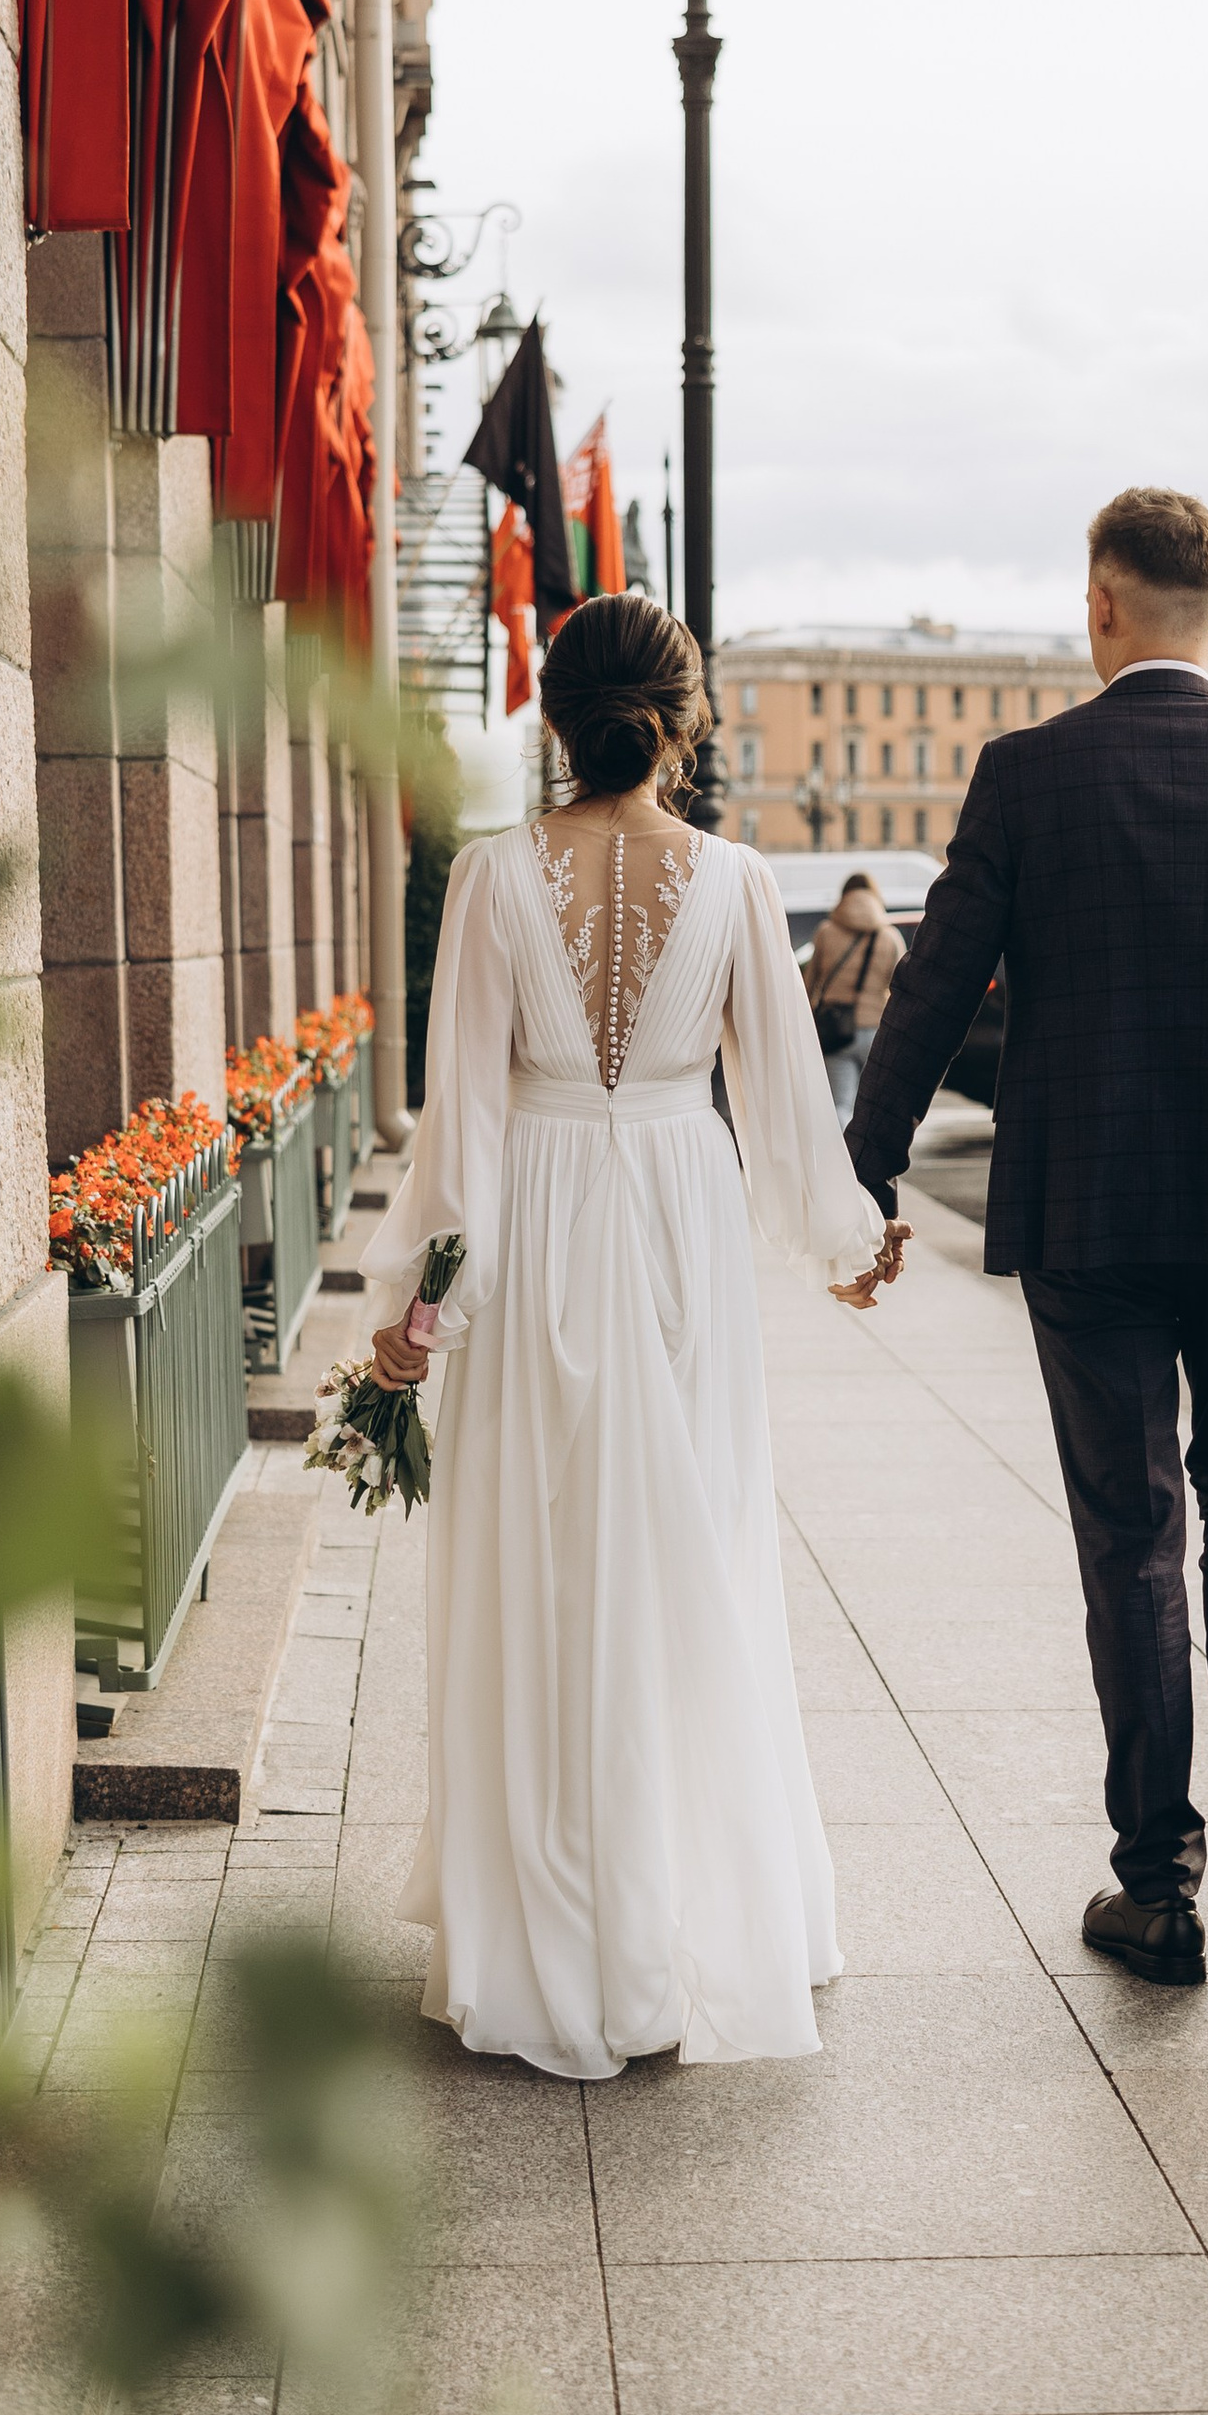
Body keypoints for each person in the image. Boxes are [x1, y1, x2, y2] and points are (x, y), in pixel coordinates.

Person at [844, 488, 1208, 1985]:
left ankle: (1156, 1880)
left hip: (1088, 1212)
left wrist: (865, 1172)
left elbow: (930, 991)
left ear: (1099, 605)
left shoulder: (1027, 776)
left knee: (1130, 1533)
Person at [361, 595, 910, 2077]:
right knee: (689, 1553)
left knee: (534, 1560)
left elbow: (458, 1121)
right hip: (679, 1217)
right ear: (690, 718)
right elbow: (789, 1107)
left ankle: (542, 1919)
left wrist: (422, 1312)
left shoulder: (488, 875)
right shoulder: (736, 881)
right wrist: (852, 1247)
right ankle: (689, 1911)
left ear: (555, 717)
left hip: (534, 1219)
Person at [802, 869, 903, 1122]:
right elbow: (902, 989)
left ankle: (844, 1159)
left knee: (841, 1104)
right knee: (874, 1106)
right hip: (876, 1031)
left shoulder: (826, 931)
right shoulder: (889, 936)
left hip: (836, 1031)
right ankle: (867, 1158)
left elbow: (809, 984)